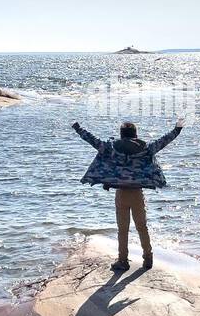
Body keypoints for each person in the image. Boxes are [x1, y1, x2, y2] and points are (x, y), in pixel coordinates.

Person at [71, 116, 185, 271]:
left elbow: (92, 140)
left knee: (122, 229)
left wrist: (78, 128)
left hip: (121, 193)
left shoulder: (111, 148)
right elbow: (165, 140)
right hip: (137, 193)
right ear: (135, 134)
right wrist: (177, 128)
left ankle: (123, 261)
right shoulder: (146, 148)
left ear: (121, 134)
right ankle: (148, 258)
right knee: (142, 227)